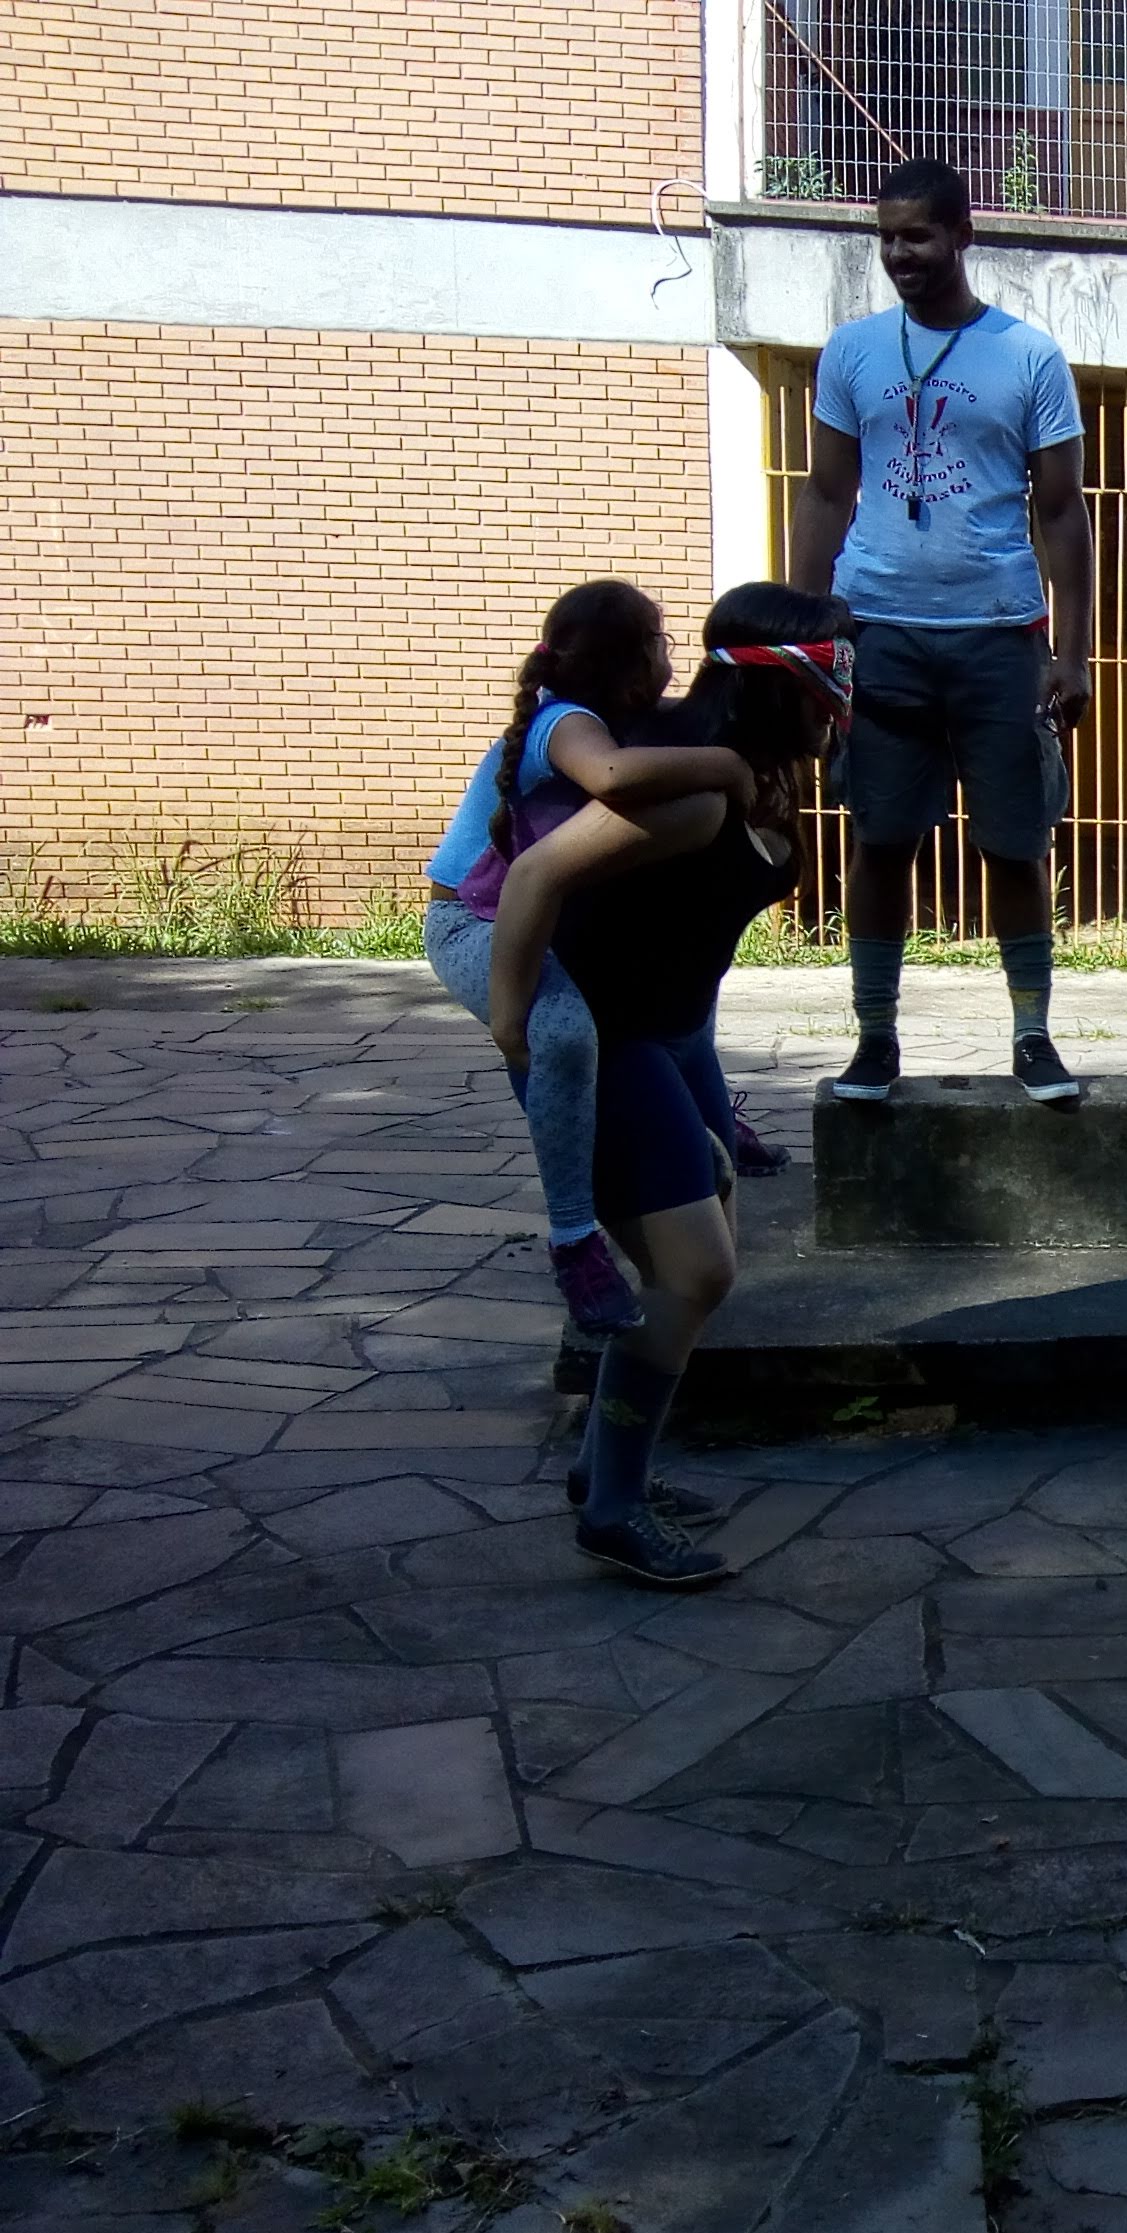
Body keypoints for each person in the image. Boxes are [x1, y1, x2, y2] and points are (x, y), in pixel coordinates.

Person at [487, 585, 850, 1587]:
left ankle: (606, 1467)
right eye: (838, 672)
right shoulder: (693, 788)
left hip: (668, 1034)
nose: (848, 698)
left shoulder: (746, 770)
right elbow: (534, 879)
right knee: (695, 1273)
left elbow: (684, 934)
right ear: (783, 683)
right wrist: (517, 1029)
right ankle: (611, 1507)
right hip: (606, 1039)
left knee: (702, 1249)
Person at [790, 156, 1091, 1107]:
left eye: (917, 234)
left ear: (963, 234)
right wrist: (805, 638)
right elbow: (826, 493)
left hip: (998, 635)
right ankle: (875, 1039)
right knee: (881, 839)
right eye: (886, 236)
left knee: (1015, 843)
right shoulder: (851, 352)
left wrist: (1072, 652)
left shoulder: (1029, 357)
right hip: (879, 631)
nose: (899, 253)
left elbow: (1062, 512)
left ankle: (1032, 1037)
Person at [423, 580, 756, 1337]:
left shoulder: (619, 720)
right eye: (661, 640)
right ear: (629, 661)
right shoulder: (567, 723)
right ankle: (574, 1240)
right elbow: (610, 777)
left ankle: (701, 1126)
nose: (671, 654)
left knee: (683, 1004)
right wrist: (728, 766)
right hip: (472, 925)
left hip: (534, 921)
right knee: (564, 1033)